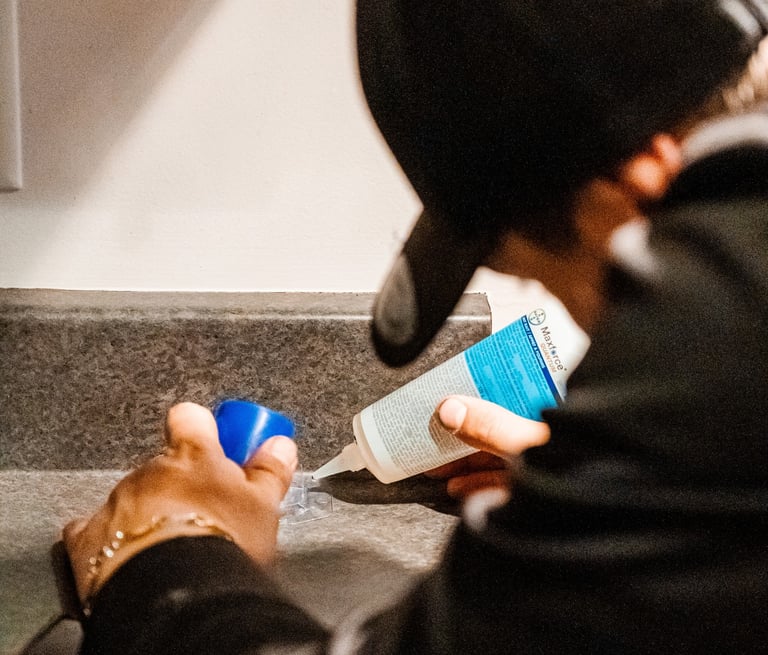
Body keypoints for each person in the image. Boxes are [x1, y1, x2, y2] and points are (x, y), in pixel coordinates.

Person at [57, 1, 768, 653]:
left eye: (547, 276)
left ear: (641, 185)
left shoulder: (721, 308)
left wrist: (165, 553)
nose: (589, 323)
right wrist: (628, 498)